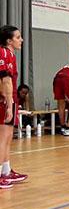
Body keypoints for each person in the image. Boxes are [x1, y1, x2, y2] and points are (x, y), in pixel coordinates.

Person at [0, 25, 26, 189]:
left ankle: (6, 171)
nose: (21, 40)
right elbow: (5, 81)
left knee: (8, 137)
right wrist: (9, 105)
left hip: (11, 100)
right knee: (2, 138)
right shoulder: (4, 53)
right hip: (4, 101)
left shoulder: (10, 54)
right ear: (9, 41)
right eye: (17, 37)